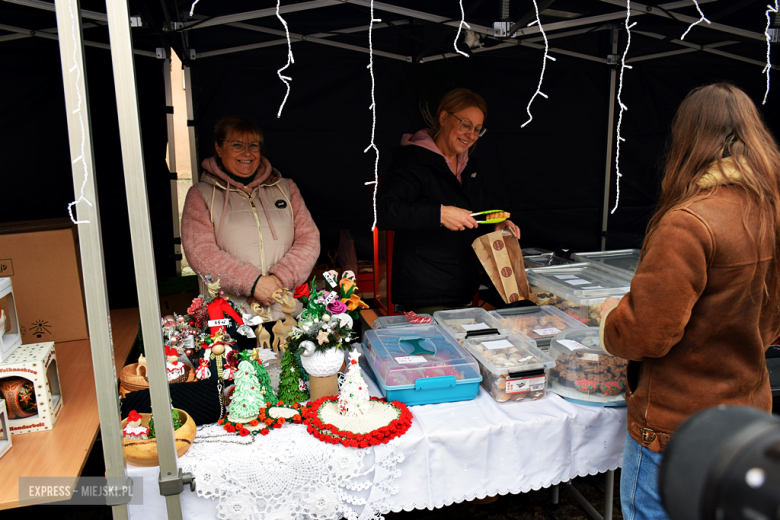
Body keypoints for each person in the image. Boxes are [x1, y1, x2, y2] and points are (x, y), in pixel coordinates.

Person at [598, 83, 780, 520]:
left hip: (672, 424)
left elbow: (648, 334)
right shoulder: (772, 210)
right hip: (746, 415)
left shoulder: (689, 221)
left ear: (689, 139)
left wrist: (609, 319)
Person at [376, 88, 520, 313]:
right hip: (425, 294)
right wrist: (440, 214)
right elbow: (384, 211)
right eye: (465, 124)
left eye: (477, 130)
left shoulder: (469, 167)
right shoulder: (413, 161)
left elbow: (483, 211)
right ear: (443, 118)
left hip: (464, 289)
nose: (471, 135)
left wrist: (498, 223)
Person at [181, 116, 320, 320]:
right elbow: (201, 253)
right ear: (218, 148)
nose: (247, 152)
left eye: (253, 145)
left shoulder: (286, 188)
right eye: (237, 145)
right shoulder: (200, 194)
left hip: (289, 312)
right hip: (231, 319)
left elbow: (309, 239)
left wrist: (277, 281)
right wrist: (253, 283)